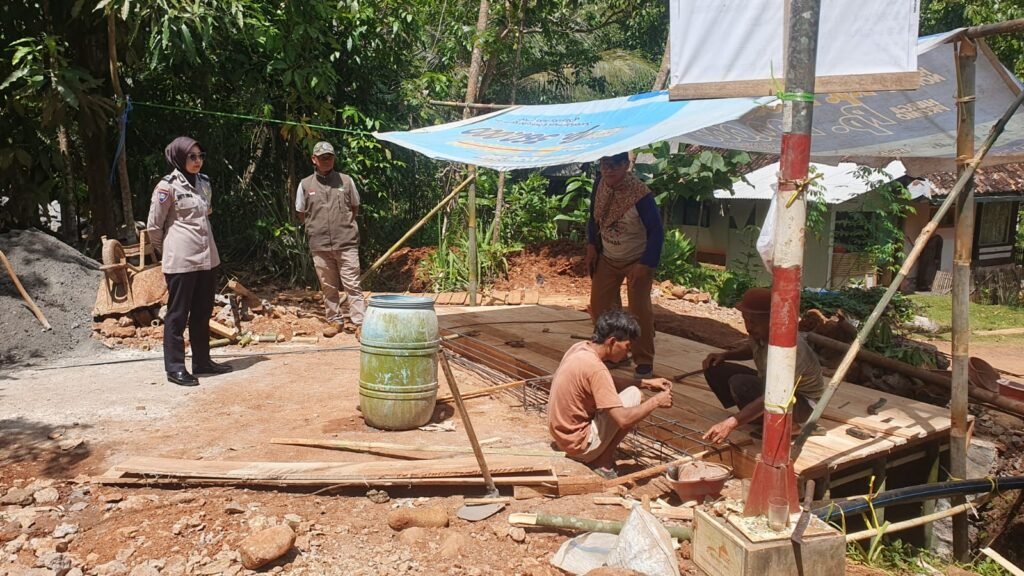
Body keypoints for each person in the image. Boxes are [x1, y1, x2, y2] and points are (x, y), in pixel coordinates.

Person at [147, 136, 233, 386]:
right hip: (181, 260)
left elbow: (206, 214)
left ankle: (202, 361)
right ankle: (175, 368)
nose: (197, 161)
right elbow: (154, 226)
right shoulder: (167, 187)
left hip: (207, 257)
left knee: (202, 311)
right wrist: (168, 251)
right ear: (178, 158)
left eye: (200, 156)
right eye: (192, 157)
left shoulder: (204, 183)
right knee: (177, 314)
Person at [548, 309, 674, 479]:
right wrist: (656, 402)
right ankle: (602, 461)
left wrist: (645, 383)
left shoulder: (579, 349)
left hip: (561, 437)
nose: (627, 354)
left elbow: (606, 383)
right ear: (612, 341)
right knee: (634, 396)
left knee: (634, 390)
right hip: (578, 446)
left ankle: (597, 453)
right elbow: (623, 420)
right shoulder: (597, 369)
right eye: (627, 347)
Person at [701, 287, 825, 444]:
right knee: (715, 368)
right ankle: (756, 416)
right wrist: (725, 355)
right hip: (772, 385)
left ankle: (791, 425)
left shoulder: (790, 348)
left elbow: (774, 394)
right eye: (746, 319)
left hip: (803, 404)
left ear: (773, 319)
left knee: (741, 383)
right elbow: (750, 349)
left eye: (754, 322)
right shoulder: (758, 333)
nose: (748, 327)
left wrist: (731, 423)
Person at [585, 152, 664, 379]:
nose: (608, 170)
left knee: (639, 312)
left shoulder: (641, 195)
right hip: (607, 256)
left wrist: (646, 264)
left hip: (636, 260)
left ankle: (644, 361)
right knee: (600, 306)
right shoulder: (600, 184)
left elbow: (657, 231)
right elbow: (593, 218)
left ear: (626, 165)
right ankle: (611, 353)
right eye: (604, 165)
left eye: (613, 166)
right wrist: (592, 245)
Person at [295, 141, 365, 338]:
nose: (327, 160)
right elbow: (301, 212)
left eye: (330, 157)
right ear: (314, 159)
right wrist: (315, 227)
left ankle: (360, 324)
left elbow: (355, 207)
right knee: (328, 286)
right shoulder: (305, 184)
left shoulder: (346, 181)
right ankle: (334, 321)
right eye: (323, 157)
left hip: (346, 242)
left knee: (352, 284)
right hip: (319, 244)